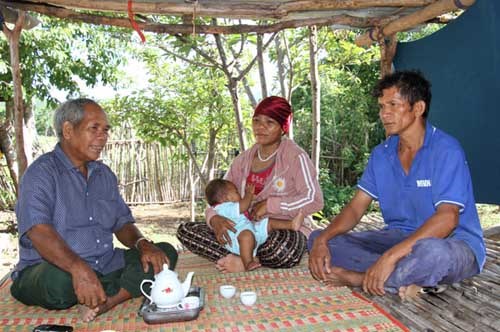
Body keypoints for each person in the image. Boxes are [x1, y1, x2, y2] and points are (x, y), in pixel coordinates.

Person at [308, 70, 486, 300]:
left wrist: (389, 257)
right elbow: (355, 209)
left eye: (393, 104)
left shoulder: (446, 150)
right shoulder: (381, 155)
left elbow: (448, 219)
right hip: (398, 239)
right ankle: (403, 277)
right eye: (382, 106)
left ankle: (361, 278)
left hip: (452, 242)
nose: (384, 114)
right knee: (317, 238)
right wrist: (323, 240)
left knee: (433, 253)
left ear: (418, 108)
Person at [10, 98, 178, 322]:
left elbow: (122, 223)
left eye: (106, 130)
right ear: (68, 130)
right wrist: (78, 268)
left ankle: (108, 300)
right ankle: (108, 285)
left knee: (164, 253)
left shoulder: (104, 174)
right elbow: (38, 231)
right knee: (60, 284)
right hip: (49, 267)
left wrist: (143, 244)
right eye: (94, 129)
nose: (103, 136)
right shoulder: (41, 173)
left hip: (105, 262)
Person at [177, 96, 323, 273]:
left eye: (269, 122)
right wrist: (214, 219)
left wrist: (270, 205)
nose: (260, 127)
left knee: (283, 250)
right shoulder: (242, 161)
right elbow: (217, 197)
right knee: (187, 230)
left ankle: (246, 260)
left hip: (278, 229)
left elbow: (314, 199)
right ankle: (248, 258)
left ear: (283, 127)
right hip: (241, 230)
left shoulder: (295, 157)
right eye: (256, 121)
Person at [205, 178, 304, 271]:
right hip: (238, 239)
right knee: (246, 235)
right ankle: (248, 262)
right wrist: (248, 194)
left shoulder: (228, 206)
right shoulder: (224, 208)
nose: (239, 194)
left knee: (268, 223)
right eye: (236, 192)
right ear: (226, 198)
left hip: (253, 231)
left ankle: (291, 224)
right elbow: (243, 206)